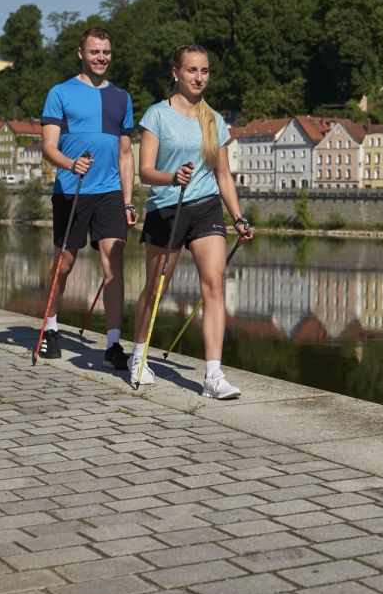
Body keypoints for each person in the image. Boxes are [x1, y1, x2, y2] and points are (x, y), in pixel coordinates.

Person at [130, 44, 253, 397]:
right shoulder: (157, 115)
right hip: (166, 208)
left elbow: (223, 175)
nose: (199, 77)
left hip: (205, 207)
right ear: (176, 73)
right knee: (156, 289)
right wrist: (172, 177)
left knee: (213, 284)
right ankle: (138, 356)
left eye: (205, 71)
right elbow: (145, 171)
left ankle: (213, 376)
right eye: (192, 70)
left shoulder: (214, 120)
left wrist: (238, 217)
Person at [39, 25, 139, 368]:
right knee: (64, 264)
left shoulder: (122, 97)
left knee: (113, 262)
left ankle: (113, 344)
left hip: (110, 192)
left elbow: (126, 154)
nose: (101, 58)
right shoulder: (60, 93)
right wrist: (71, 164)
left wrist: (128, 201)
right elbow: (48, 146)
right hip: (71, 191)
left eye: (106, 52)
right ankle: (50, 327)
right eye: (95, 51)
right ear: (80, 53)